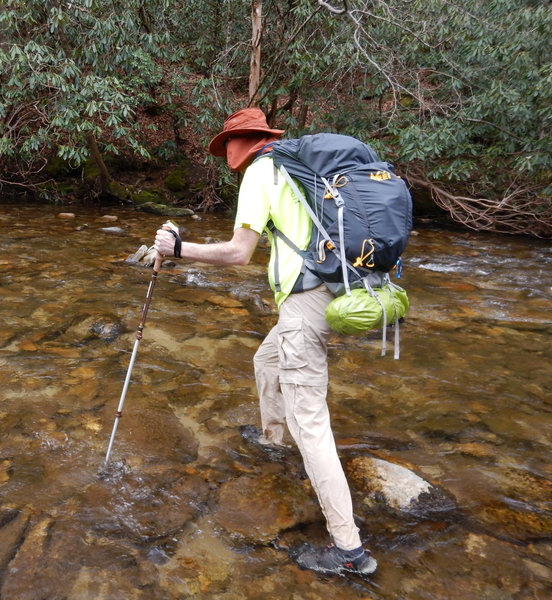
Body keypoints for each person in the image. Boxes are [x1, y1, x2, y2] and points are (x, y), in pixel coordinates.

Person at [153, 107, 377, 576]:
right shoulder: (296, 166)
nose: (225, 155)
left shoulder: (261, 171)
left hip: (306, 306)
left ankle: (350, 551)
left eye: (225, 146)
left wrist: (178, 251)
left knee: (311, 422)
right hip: (329, 295)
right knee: (265, 358)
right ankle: (274, 439)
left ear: (241, 143)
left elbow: (238, 254)